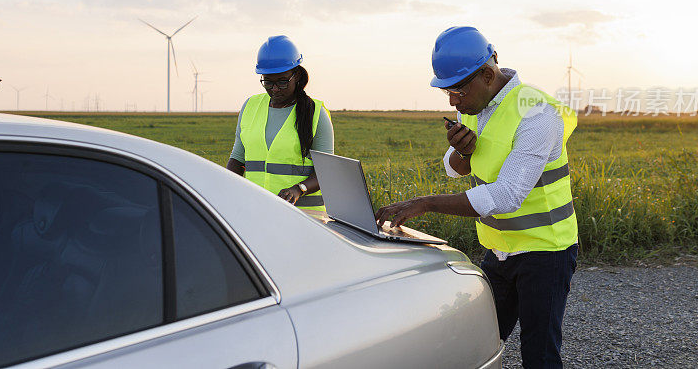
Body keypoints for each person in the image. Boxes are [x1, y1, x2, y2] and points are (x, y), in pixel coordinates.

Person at [375, 26, 578, 369]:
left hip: (545, 251)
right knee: (477, 343)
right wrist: (461, 152)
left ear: (487, 74)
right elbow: (456, 168)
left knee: (539, 354)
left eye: (456, 90)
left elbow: (509, 194)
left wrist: (425, 203)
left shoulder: (539, 112)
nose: (453, 101)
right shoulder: (474, 104)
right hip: (498, 249)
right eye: (447, 92)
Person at [226, 35, 333, 211]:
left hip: (305, 217)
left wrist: (299, 189)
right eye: (267, 82)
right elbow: (238, 159)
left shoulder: (316, 113)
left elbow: (327, 172)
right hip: (257, 210)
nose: (274, 89)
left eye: (282, 82)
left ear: (296, 75)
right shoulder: (250, 106)